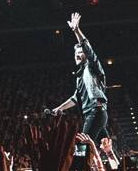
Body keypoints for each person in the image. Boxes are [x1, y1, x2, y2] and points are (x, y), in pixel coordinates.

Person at [44, 11, 108, 147]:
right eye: (76, 54)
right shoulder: (80, 77)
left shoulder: (92, 67)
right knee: (106, 148)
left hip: (95, 111)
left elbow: (88, 48)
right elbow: (75, 98)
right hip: (94, 114)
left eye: (80, 53)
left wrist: (77, 31)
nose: (77, 56)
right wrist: (59, 108)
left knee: (82, 147)